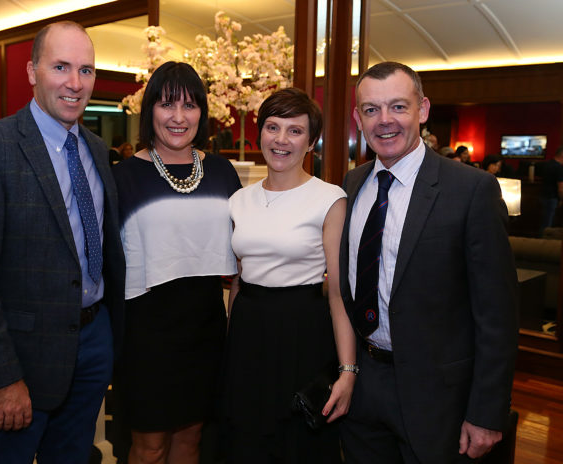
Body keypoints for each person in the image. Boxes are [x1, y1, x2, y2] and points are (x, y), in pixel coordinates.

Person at [0, 21, 125, 463]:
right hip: (21, 355)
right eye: (60, 67)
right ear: (31, 71)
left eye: (86, 70)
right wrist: (2, 375)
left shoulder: (97, 150)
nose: (75, 82)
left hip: (92, 342)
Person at [340, 61, 518, 464]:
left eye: (398, 107)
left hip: (438, 397)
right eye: (371, 110)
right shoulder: (353, 184)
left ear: (422, 110)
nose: (385, 120)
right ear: (358, 119)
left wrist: (487, 412)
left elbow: (497, 314)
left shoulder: (471, 190)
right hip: (364, 386)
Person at [112, 61, 241, 464]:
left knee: (191, 439)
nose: (179, 117)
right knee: (149, 447)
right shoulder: (123, 177)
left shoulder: (222, 172)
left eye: (189, 105)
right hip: (146, 333)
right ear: (150, 109)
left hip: (205, 326)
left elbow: (243, 252)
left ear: (202, 112)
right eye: (167, 104)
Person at [224, 87, 356, 463]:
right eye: (272, 127)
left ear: (311, 142)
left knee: (297, 446)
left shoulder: (329, 198)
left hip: (303, 331)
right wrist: (231, 344)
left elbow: (338, 292)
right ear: (260, 134)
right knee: (246, 442)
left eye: (295, 131)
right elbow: (239, 279)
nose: (281, 139)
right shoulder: (238, 200)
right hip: (248, 331)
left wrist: (347, 371)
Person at [540, 145, 563, 235]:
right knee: (548, 223)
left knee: (543, 221)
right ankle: (544, 240)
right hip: (552, 198)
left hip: (543, 196)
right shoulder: (559, 168)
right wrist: (561, 199)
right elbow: (561, 188)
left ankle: (540, 238)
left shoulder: (546, 164)